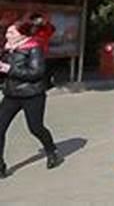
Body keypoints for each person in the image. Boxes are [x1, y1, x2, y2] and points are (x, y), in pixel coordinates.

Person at [0, 13, 61, 178]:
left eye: (11, 33)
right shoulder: (8, 48)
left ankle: (52, 151)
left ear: (22, 34)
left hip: (32, 95)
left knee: (36, 128)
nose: (7, 35)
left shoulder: (34, 47)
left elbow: (36, 72)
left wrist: (9, 69)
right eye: (7, 32)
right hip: (11, 94)